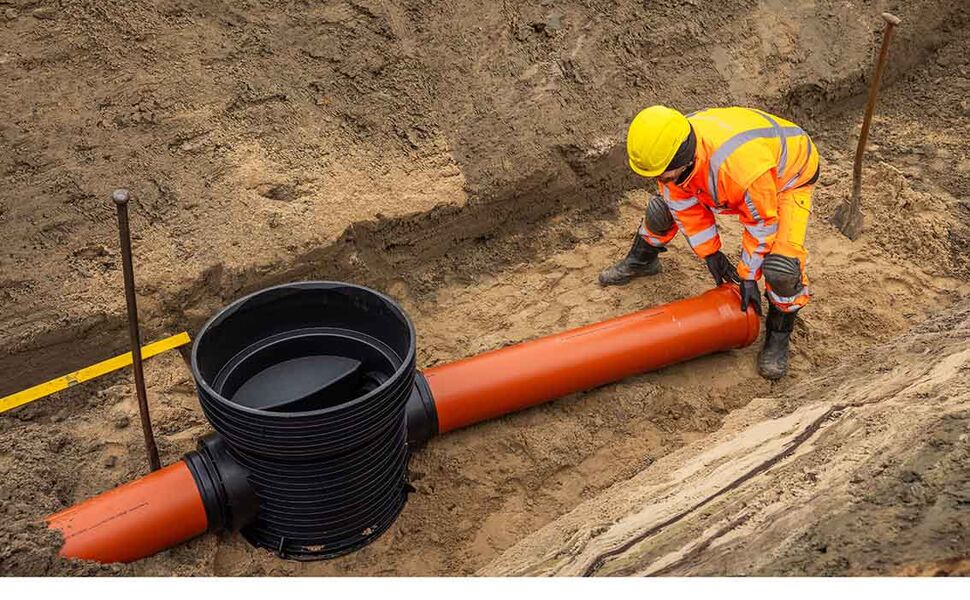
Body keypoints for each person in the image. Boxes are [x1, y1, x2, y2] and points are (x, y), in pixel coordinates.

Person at [599, 105, 819, 380]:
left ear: (683, 158)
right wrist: (710, 253)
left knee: (782, 269)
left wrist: (748, 276)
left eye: (664, 175)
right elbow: (683, 205)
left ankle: (779, 335)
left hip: (788, 177)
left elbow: (762, 225)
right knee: (662, 209)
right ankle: (642, 261)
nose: (660, 180)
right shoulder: (669, 144)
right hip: (737, 168)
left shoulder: (739, 170)